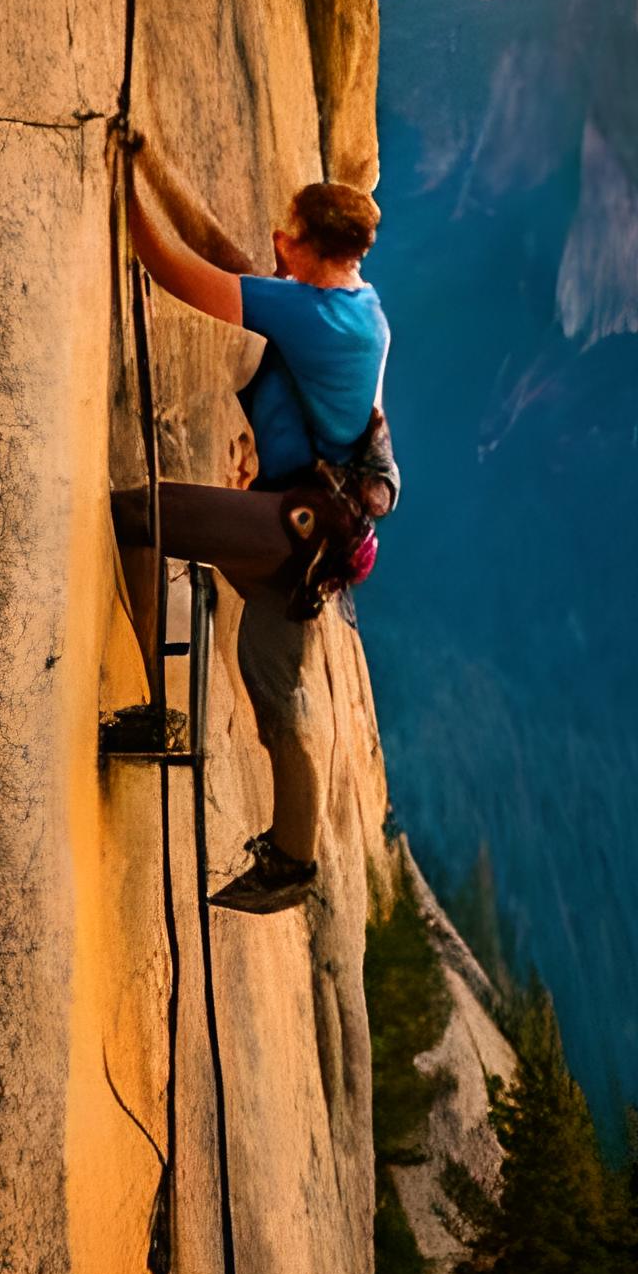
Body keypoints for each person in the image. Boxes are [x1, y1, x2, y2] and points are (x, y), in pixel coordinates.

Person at [115, 134, 392, 914]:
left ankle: (151, 709)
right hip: (316, 542)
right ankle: (294, 864)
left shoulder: (313, 316)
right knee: (276, 695)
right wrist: (153, 166)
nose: (278, 241)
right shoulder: (352, 305)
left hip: (288, 529)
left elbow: (185, 274)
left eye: (289, 233)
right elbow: (232, 257)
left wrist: (123, 198)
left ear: (314, 249)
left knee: (140, 514)